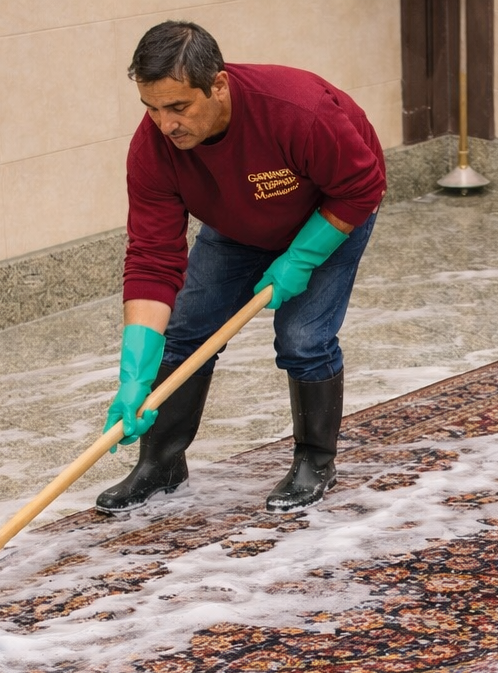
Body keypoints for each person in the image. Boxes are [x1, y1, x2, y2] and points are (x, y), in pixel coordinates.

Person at [98, 20, 386, 515]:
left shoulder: (298, 111)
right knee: (185, 331)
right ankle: (161, 463)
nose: (165, 124)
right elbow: (152, 255)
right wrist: (135, 371)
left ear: (218, 85)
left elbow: (362, 185)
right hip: (236, 226)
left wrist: (301, 257)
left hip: (329, 214)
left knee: (303, 338)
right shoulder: (153, 150)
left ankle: (314, 461)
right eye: (152, 108)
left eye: (178, 107)